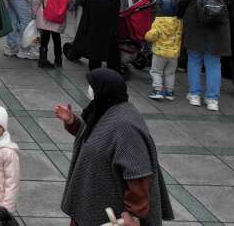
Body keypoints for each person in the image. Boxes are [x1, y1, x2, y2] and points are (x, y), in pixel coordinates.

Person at [56, 68, 173, 226]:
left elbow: (138, 174)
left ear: (103, 89)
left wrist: (133, 213)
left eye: (92, 86)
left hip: (109, 211)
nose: (90, 89)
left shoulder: (126, 126)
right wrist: (73, 122)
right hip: (92, 200)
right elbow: (96, 138)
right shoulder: (105, 109)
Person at [30, 0, 69, 70]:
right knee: (57, 37)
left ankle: (43, 59)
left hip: (45, 14)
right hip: (59, 15)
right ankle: (58, 60)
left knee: (45, 37)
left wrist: (34, 10)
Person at [143, 0, 183, 102]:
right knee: (170, 73)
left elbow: (152, 36)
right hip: (173, 55)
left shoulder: (158, 22)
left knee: (156, 72)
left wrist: (146, 36)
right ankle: (169, 92)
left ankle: (157, 91)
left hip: (160, 53)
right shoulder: (178, 23)